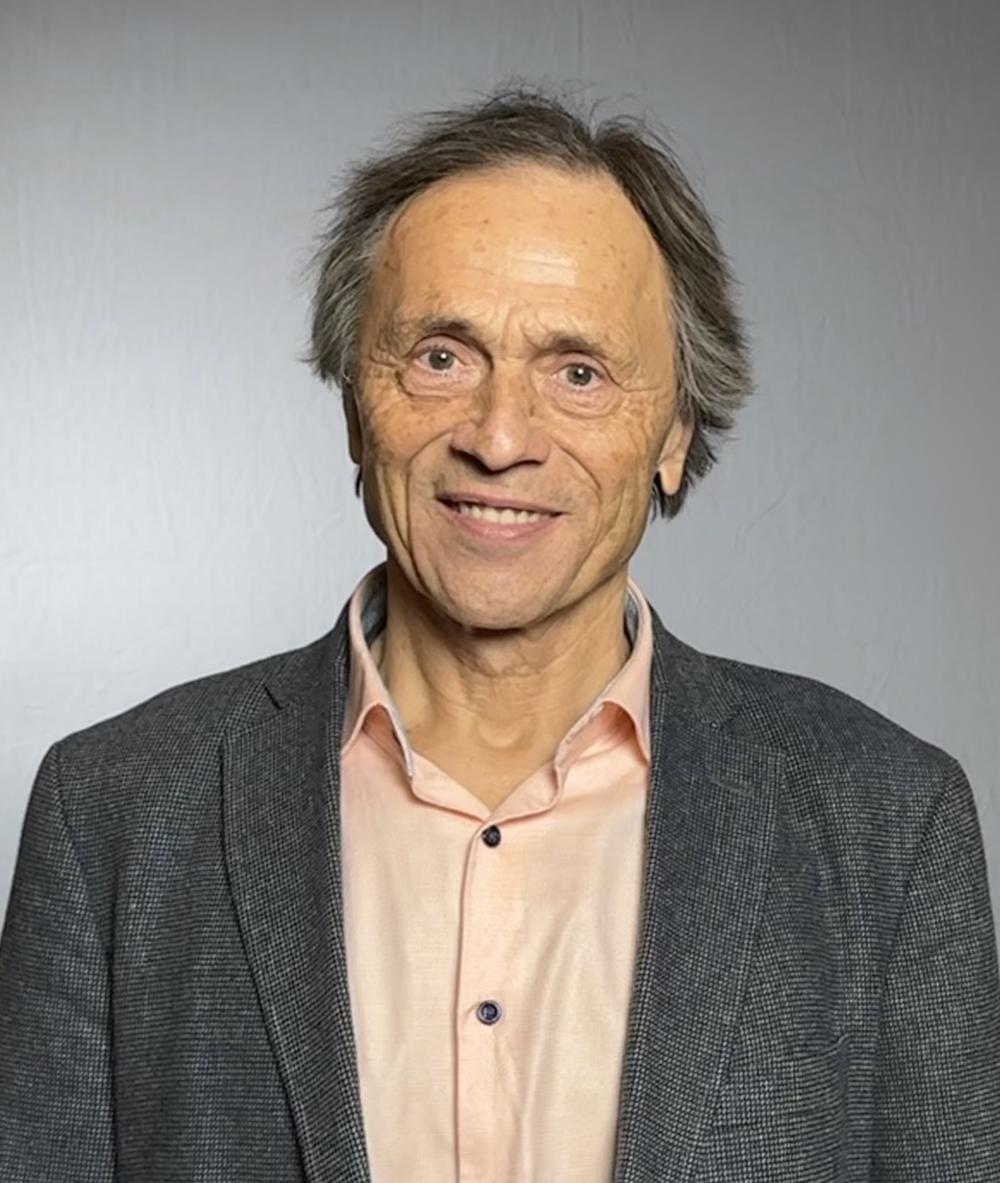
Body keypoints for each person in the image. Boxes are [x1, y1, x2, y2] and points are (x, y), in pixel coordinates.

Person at [1, 84, 997, 1183]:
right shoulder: (113, 815)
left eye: (578, 372)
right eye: (441, 356)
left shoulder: (887, 824)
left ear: (674, 433)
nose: (501, 435)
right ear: (354, 405)